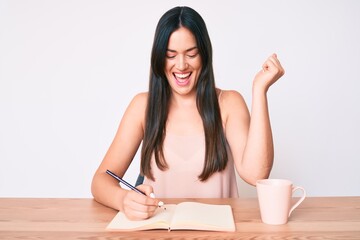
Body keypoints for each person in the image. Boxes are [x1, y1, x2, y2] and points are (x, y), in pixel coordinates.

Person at [91, 6, 284, 220]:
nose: (181, 65)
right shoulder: (142, 106)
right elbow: (100, 180)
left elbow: (257, 173)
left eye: (191, 54)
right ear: (158, 58)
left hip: (218, 233)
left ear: (204, 55)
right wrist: (123, 199)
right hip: (159, 233)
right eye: (170, 55)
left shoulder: (229, 103)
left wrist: (260, 90)